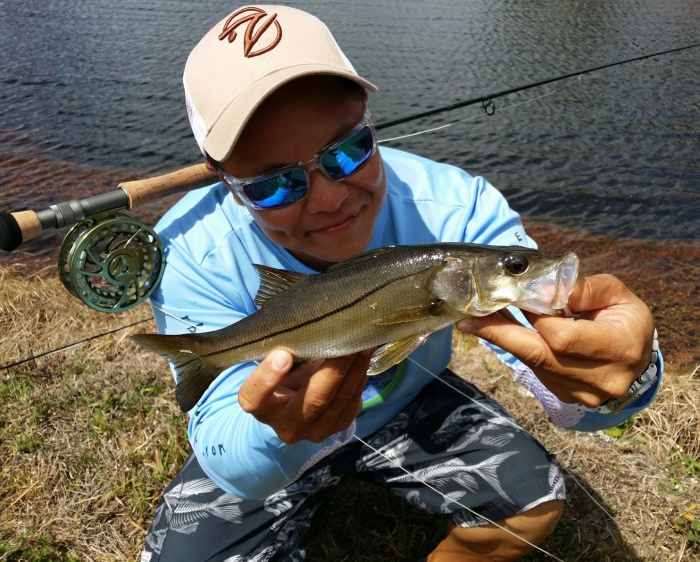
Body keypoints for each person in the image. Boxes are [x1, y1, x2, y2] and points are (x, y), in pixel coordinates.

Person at [140, 5, 662, 562]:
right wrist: (280, 432)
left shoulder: (459, 209)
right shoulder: (187, 248)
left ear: (369, 119)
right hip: (265, 421)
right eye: (273, 184)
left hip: (410, 400)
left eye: (348, 150)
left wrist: (627, 378)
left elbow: (573, 378)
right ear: (223, 178)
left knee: (533, 504)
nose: (329, 198)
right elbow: (227, 454)